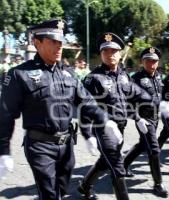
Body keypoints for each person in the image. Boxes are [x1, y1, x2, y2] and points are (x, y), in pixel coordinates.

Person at [0, 19, 110, 200]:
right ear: (37, 42)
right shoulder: (19, 74)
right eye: (53, 41)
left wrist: (105, 121)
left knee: (62, 190)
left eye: (61, 42)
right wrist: (4, 150)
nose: (59, 46)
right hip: (40, 147)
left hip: (67, 147)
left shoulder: (68, 74)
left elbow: (87, 102)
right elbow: (5, 115)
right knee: (50, 194)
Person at [78, 32, 152, 200]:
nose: (110, 55)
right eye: (106, 51)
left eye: (113, 51)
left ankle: (84, 186)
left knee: (105, 162)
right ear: (101, 54)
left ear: (119, 54)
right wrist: (88, 134)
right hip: (103, 128)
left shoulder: (124, 76)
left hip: (121, 126)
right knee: (117, 167)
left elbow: (126, 102)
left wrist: (138, 117)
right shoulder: (93, 78)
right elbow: (84, 107)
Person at [123, 47, 168, 197]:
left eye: (154, 61)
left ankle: (123, 165)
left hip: (155, 117)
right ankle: (158, 184)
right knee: (154, 149)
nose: (151, 63)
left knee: (143, 144)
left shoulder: (159, 77)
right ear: (142, 61)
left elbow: (160, 95)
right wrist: (137, 118)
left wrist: (165, 105)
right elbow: (128, 101)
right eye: (148, 60)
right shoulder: (135, 78)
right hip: (143, 118)